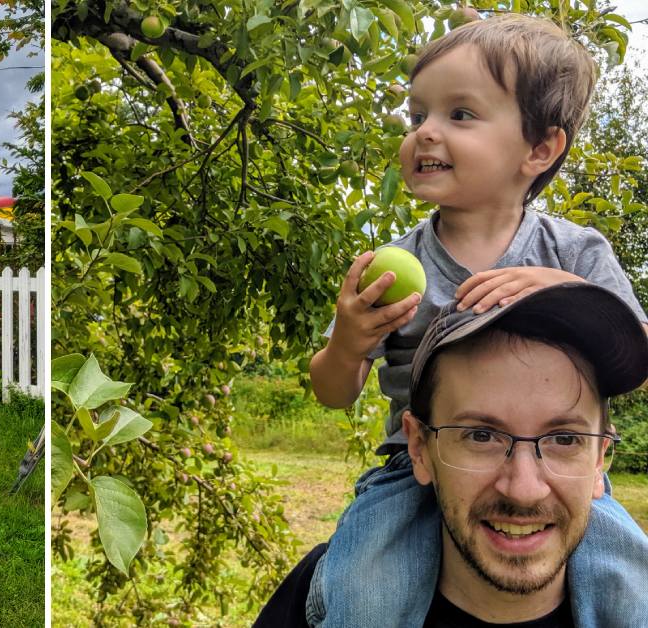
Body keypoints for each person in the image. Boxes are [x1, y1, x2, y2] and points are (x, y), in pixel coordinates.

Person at [305, 13, 648, 628]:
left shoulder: (576, 254)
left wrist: (567, 288)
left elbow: (639, 360)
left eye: (459, 115)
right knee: (365, 594)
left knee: (630, 580)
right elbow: (332, 393)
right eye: (418, 117)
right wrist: (349, 344)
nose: (425, 134)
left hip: (552, 470)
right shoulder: (395, 263)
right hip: (411, 470)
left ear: (539, 149)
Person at [259, 282, 648, 626]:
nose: (524, 490)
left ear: (600, 458)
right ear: (419, 448)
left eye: (564, 439)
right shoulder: (331, 592)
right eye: (481, 435)